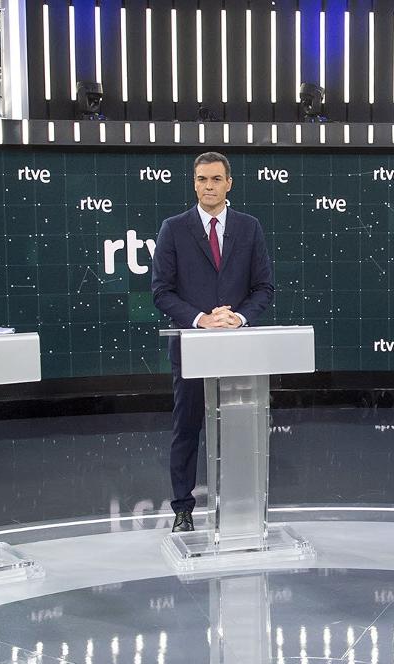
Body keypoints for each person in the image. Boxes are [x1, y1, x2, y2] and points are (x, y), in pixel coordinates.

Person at [152, 151, 275, 532]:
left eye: (216, 179)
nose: (209, 186)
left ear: (229, 183)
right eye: (202, 179)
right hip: (192, 346)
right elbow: (161, 291)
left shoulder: (249, 228)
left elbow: (263, 288)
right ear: (194, 184)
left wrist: (238, 318)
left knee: (239, 426)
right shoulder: (174, 229)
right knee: (187, 427)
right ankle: (183, 509)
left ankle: (239, 506)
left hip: (238, 347)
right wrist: (202, 319)